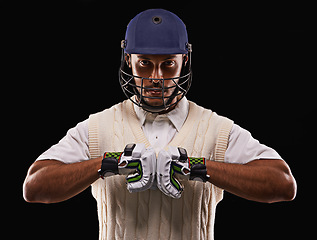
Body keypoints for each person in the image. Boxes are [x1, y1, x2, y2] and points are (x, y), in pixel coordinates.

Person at [23, 9, 297, 240]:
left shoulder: (216, 128)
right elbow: (34, 187)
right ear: (128, 61)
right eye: (144, 64)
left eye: (168, 64)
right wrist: (108, 163)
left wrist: (198, 167)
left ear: (184, 61)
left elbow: (283, 184)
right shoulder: (98, 126)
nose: (155, 77)